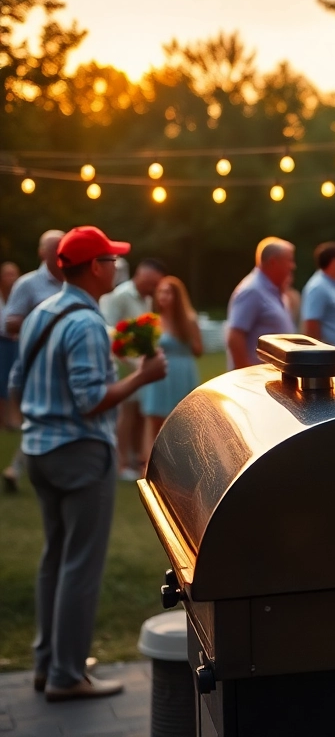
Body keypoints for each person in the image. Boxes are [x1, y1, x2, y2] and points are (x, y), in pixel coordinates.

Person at [7, 226, 166, 702]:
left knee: (54, 559)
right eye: (111, 260)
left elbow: (17, 383)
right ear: (93, 267)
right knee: (80, 565)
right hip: (80, 454)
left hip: (39, 451)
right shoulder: (87, 324)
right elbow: (91, 401)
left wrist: (39, 418)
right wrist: (142, 378)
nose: (116, 266)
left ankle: (46, 665)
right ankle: (67, 675)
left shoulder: (39, 314)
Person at [4, 230, 65, 488]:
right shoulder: (28, 284)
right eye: (55, 250)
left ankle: (18, 469)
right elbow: (9, 323)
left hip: (65, 363)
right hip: (36, 364)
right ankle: (20, 469)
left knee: (50, 418)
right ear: (42, 253)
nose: (60, 254)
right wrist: (44, 321)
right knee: (39, 418)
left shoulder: (71, 281)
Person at [99, 258, 167, 481]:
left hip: (141, 363)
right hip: (122, 363)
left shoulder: (146, 298)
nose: (152, 289)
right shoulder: (121, 295)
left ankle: (138, 458)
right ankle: (120, 464)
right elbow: (109, 329)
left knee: (140, 413)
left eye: (155, 284)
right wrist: (133, 362)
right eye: (150, 283)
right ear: (139, 276)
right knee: (125, 415)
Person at [139, 276, 202, 468]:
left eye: (168, 292)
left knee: (182, 422)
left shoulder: (189, 321)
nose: (164, 296)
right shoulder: (152, 322)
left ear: (177, 296)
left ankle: (180, 467)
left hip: (183, 372)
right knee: (155, 422)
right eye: (161, 292)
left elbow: (199, 349)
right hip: (160, 375)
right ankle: (151, 468)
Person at [226, 238, 296, 369]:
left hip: (271, 378)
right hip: (256, 381)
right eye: (289, 260)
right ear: (274, 262)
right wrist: (246, 374)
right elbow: (235, 338)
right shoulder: (252, 291)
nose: (293, 266)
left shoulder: (274, 290)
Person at [301, 242, 335, 358]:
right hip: (327, 359)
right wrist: (319, 357)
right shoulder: (318, 287)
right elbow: (311, 325)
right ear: (334, 262)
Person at [1, 261, 20, 434]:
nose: (11, 278)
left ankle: (12, 419)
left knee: (13, 380)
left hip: (16, 342)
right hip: (1, 342)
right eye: (8, 274)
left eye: (14, 274)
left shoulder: (19, 296)